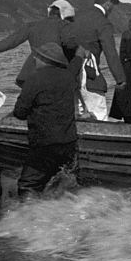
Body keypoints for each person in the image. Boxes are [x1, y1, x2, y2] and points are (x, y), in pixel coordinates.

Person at [11, 42, 78, 195]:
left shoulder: (35, 79)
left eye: (37, 57)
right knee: (65, 181)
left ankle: (29, 215)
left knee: (29, 184)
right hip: (69, 141)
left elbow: (20, 112)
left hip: (44, 142)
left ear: (44, 59)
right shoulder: (68, 77)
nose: (34, 59)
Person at [0, 0, 78, 82]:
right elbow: (71, 45)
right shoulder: (65, 26)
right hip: (56, 75)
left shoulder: (32, 26)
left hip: (31, 75)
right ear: (65, 15)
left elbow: (10, 42)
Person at [70, 0, 127, 120]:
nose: (112, 10)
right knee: (98, 115)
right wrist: (120, 79)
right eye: (112, 6)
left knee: (76, 115)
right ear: (108, 4)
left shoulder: (77, 17)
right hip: (89, 73)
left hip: (71, 71)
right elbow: (110, 53)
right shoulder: (103, 22)